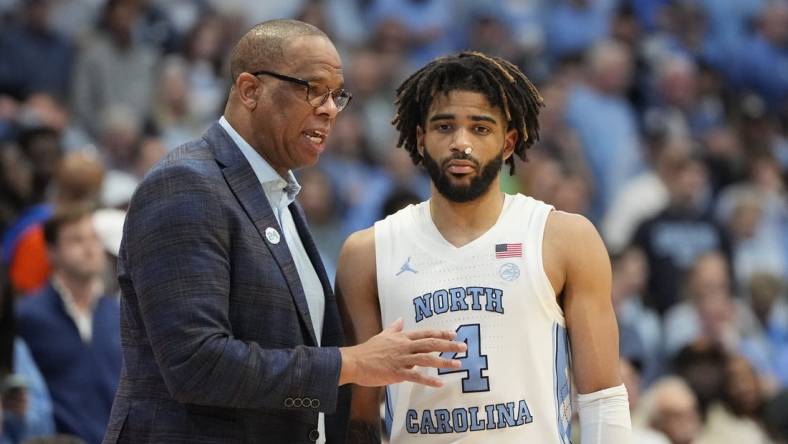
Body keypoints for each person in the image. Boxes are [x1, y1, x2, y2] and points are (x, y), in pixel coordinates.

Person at [104, 19, 466, 444]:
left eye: (336, 96)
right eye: (312, 88)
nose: (329, 109)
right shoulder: (186, 184)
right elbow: (196, 366)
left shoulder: (277, 198)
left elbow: (276, 389)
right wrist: (352, 363)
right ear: (249, 90)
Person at [336, 51, 631, 443]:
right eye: (444, 127)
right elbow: (360, 420)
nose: (461, 143)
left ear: (508, 142)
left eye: (480, 128)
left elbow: (603, 399)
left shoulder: (563, 238)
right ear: (421, 139)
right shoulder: (366, 254)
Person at [15, 204, 120, 444]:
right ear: (51, 251)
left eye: (93, 238)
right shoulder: (28, 316)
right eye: (76, 240)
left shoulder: (119, 313)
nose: (90, 248)